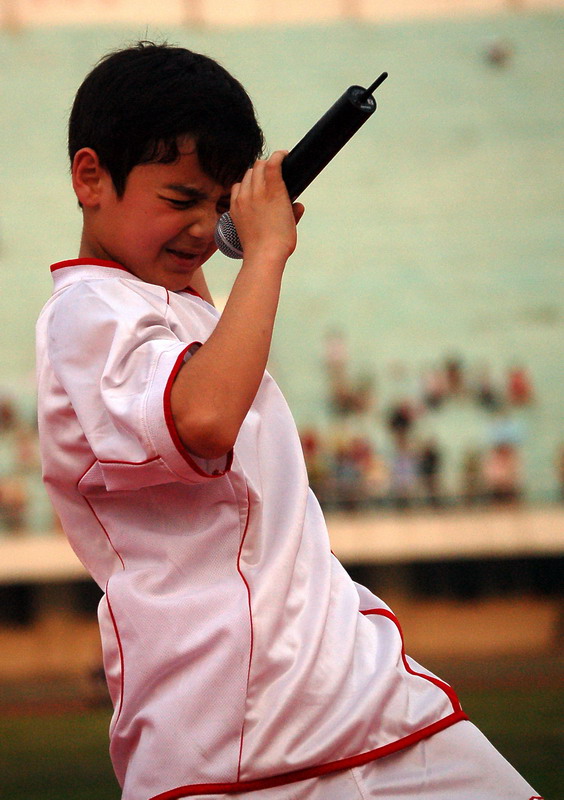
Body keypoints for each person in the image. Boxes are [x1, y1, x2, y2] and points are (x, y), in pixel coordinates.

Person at [35, 42, 542, 800]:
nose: (204, 229)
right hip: (239, 739)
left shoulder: (177, 303)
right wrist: (265, 253)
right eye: (180, 200)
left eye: (219, 205)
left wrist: (247, 219)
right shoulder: (87, 311)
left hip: (360, 694)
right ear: (89, 178)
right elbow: (201, 421)